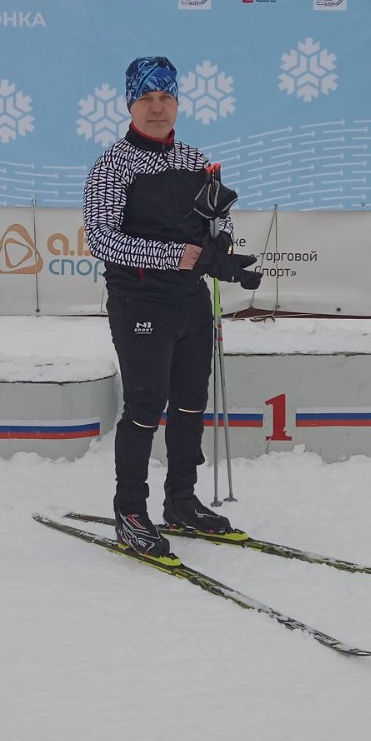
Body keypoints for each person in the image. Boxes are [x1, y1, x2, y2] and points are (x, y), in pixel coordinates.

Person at [83, 55, 262, 561]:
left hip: (189, 301)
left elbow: (215, 221)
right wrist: (175, 255)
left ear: (178, 102)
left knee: (189, 402)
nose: (157, 108)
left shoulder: (193, 158)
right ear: (130, 105)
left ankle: (181, 500)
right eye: (146, 99)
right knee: (145, 405)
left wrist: (221, 251)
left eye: (165, 98)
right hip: (140, 300)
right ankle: (130, 512)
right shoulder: (113, 164)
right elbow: (101, 238)